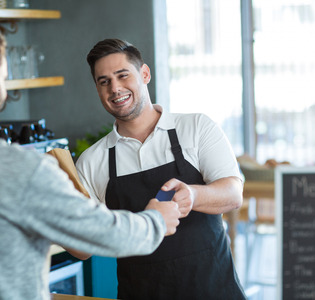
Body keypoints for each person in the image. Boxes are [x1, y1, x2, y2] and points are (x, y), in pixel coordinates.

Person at [0, 18, 181, 300]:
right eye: (3, 76)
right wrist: (155, 220)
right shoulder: (19, 168)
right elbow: (103, 233)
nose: (4, 90)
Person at [76, 38, 247, 300]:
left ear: (145, 74)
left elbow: (234, 194)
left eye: (123, 75)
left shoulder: (196, 128)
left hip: (215, 291)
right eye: (104, 81)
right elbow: (82, 250)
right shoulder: (92, 161)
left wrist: (193, 195)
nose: (115, 88)